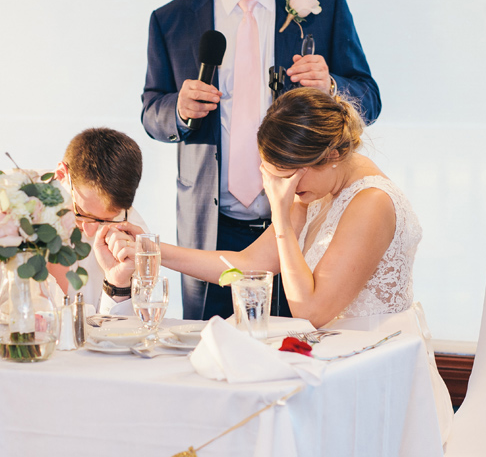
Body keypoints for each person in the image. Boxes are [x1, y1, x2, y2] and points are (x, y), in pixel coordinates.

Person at [106, 87, 453, 442]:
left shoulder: (371, 203)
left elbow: (311, 309)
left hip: (377, 364)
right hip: (336, 360)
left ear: (330, 155)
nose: (281, 188)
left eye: (287, 177)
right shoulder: (319, 187)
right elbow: (247, 263)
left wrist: (281, 218)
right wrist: (152, 250)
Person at [141, 0, 381, 320]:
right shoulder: (173, 19)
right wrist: (178, 109)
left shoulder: (323, 6)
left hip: (301, 213)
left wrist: (330, 85)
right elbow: (151, 111)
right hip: (210, 225)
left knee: (301, 344)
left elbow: (369, 96)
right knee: (213, 355)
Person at [0, 128, 146, 313]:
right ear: (61, 175)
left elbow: (134, 329)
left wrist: (118, 285)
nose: (91, 232)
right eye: (81, 212)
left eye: (106, 221)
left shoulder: (129, 227)